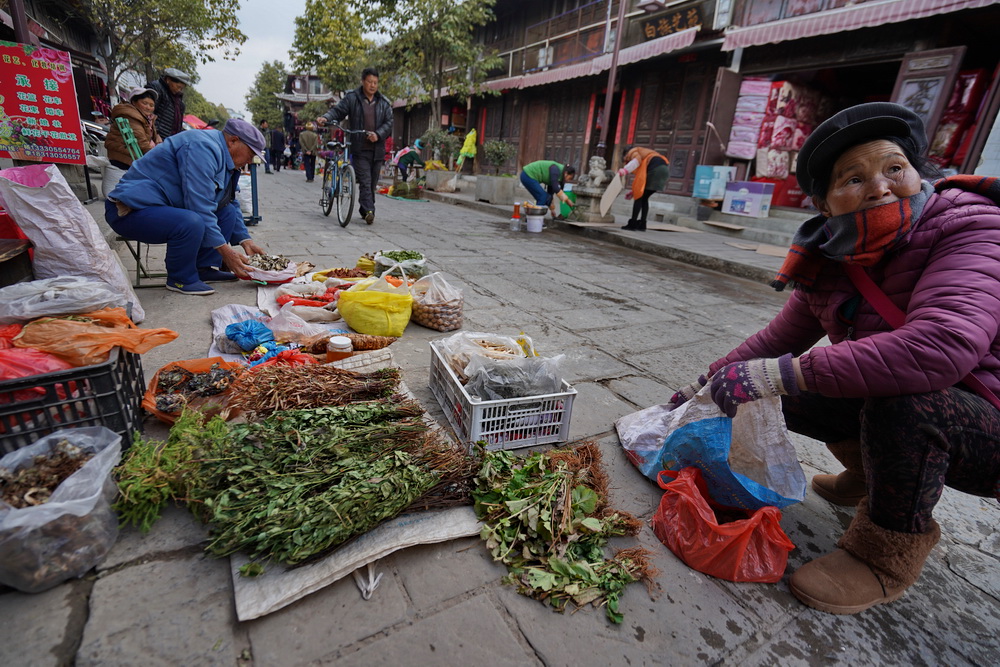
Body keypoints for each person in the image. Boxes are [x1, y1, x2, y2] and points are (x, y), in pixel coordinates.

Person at [668, 102, 1000, 615]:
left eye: (894, 168)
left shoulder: (969, 225)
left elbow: (942, 348)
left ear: (917, 172)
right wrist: (701, 387)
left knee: (904, 400)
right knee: (788, 394)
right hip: (922, 397)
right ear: (825, 206)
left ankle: (883, 553)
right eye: (854, 178)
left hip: (985, 418)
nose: (879, 187)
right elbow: (776, 341)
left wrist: (778, 374)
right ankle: (874, 475)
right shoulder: (831, 259)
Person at [105, 118, 268, 296]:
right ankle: (180, 278)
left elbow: (228, 200)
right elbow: (199, 206)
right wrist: (226, 252)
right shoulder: (202, 147)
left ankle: (202, 268)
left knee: (226, 211)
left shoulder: (225, 158)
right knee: (192, 221)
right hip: (131, 211)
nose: (250, 160)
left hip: (164, 210)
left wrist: (246, 240)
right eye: (250, 154)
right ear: (233, 141)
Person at [316, 67, 393, 225]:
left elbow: (389, 123)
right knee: (365, 180)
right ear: (363, 81)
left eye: (375, 82)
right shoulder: (353, 98)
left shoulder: (384, 103)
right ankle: (370, 211)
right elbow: (338, 111)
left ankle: (365, 210)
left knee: (371, 183)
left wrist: (378, 134)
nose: (372, 85)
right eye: (370, 82)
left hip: (377, 149)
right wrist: (326, 117)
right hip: (359, 147)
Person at [104, 86, 162, 169]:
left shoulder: (147, 119)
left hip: (132, 156)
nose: (148, 107)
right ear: (134, 102)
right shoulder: (130, 116)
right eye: (145, 103)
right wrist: (157, 158)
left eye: (151, 105)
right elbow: (141, 141)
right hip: (124, 159)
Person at [616, 145, 669, 231]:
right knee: (644, 198)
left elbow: (636, 161)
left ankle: (632, 224)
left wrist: (624, 170)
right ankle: (642, 224)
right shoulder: (645, 153)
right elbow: (642, 180)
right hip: (664, 170)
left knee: (639, 198)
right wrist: (633, 192)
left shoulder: (633, 152)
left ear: (626, 153)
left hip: (655, 170)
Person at [146, 68, 191, 139]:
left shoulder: (178, 101)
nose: (179, 90)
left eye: (181, 88)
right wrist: (156, 134)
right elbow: (148, 114)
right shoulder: (156, 88)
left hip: (168, 140)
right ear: (168, 80)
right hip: (154, 137)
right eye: (178, 87)